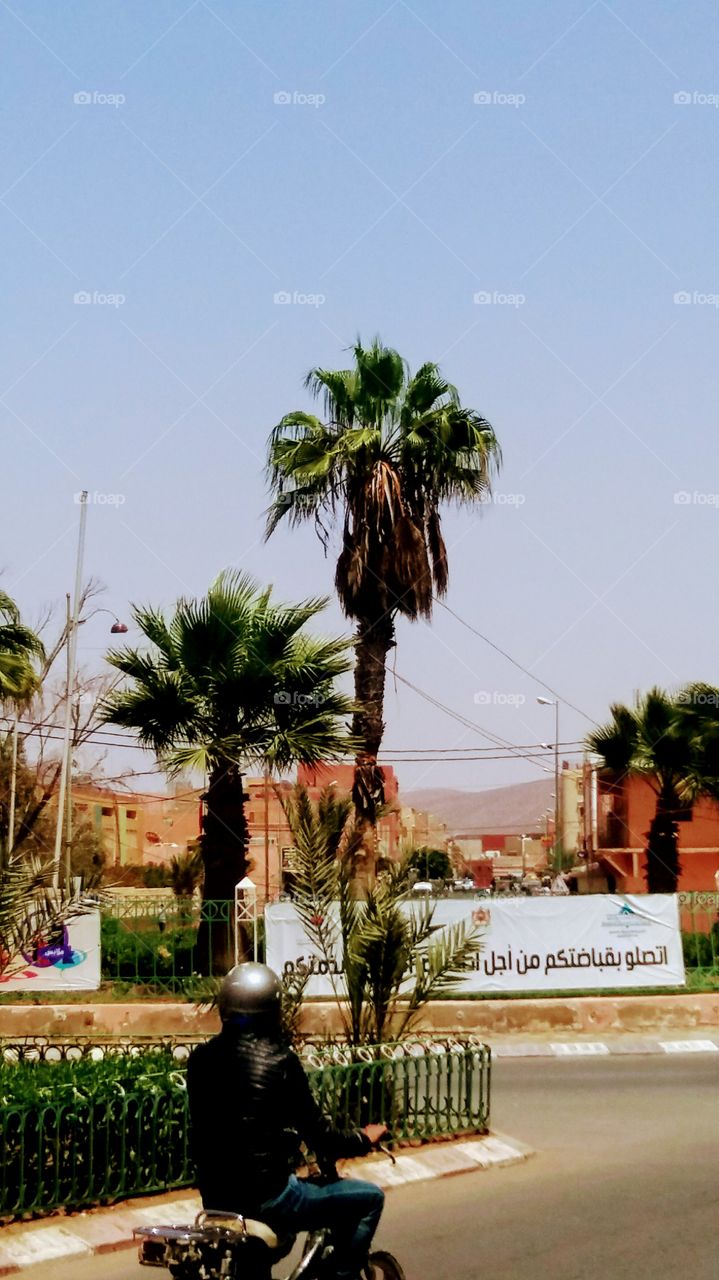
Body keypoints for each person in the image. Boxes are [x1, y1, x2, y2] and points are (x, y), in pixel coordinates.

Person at [186, 963, 386, 1280]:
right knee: (370, 1199)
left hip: (216, 1199)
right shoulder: (281, 1061)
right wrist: (362, 1138)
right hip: (271, 1199)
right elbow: (321, 1136)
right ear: (273, 1009)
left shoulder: (200, 1060)